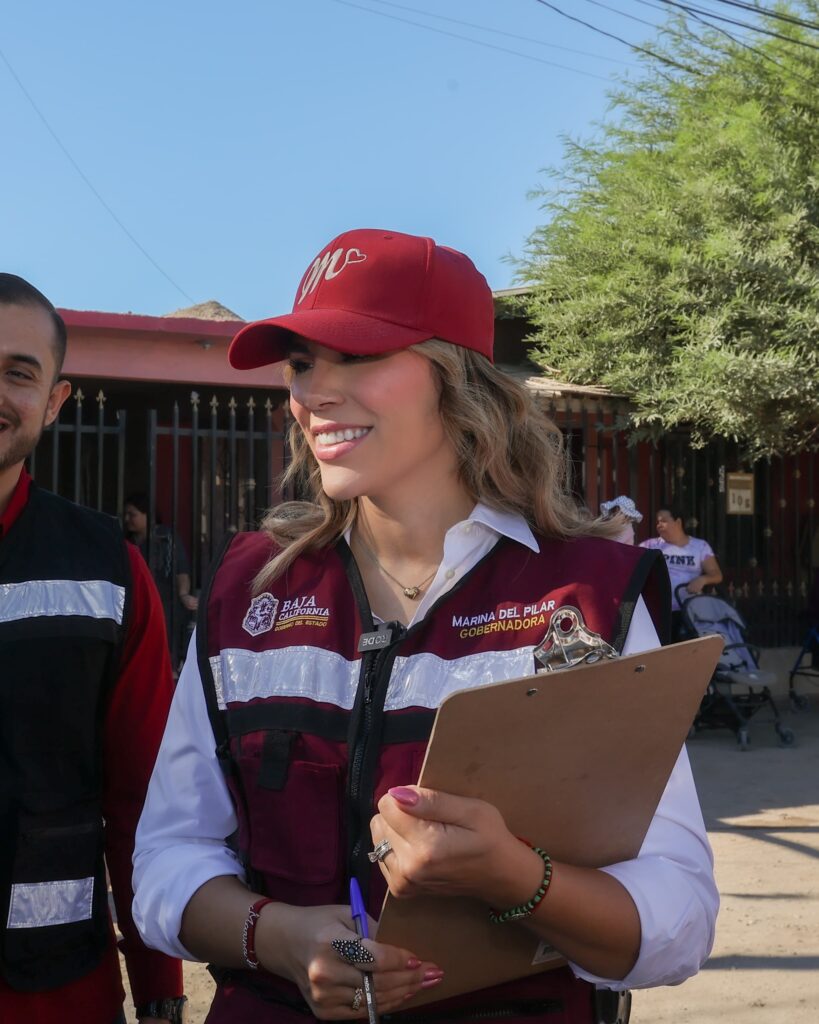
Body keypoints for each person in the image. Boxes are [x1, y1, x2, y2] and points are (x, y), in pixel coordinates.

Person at [133, 229, 718, 1023]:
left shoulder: (585, 595)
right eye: (302, 362)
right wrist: (281, 938)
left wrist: (516, 878)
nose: (315, 392)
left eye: (359, 356)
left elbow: (676, 917)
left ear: (458, 380)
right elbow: (168, 857)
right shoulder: (248, 588)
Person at [0, 274, 185, 1024]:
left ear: (54, 401)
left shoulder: (109, 569)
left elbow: (144, 801)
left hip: (54, 992)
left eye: (18, 372)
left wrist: (160, 986)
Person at [124, 491, 198, 662]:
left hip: (164, 600)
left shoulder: (165, 536)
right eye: (126, 514)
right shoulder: (127, 542)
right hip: (135, 601)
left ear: (147, 515)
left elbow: (181, 568)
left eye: (132, 514)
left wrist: (183, 594)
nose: (127, 519)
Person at [640, 504, 723, 638]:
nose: (659, 525)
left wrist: (702, 579)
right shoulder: (649, 546)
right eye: (658, 522)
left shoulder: (700, 546)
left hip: (689, 612)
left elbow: (717, 574)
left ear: (678, 522)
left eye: (664, 521)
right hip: (658, 611)